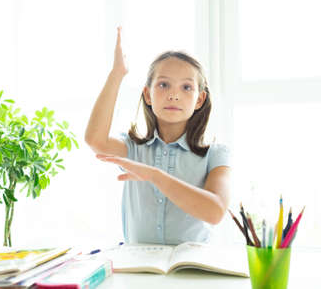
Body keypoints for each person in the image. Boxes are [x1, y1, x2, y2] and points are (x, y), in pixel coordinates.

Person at [85, 27, 230, 244]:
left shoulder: (215, 154)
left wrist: (155, 176)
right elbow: (95, 140)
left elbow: (215, 211)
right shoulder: (133, 148)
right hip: (140, 267)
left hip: (192, 268)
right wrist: (117, 74)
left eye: (186, 87)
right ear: (148, 94)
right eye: (163, 85)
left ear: (199, 100)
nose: (173, 95)